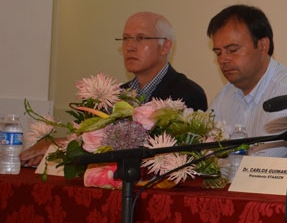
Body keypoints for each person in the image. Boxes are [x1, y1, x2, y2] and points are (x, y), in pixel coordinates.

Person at [20, 11, 208, 167]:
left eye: (141, 38)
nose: (130, 47)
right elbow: (93, 141)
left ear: (165, 46)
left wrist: (59, 145)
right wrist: (54, 149)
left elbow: (154, 151)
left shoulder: (186, 94)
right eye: (126, 38)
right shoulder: (115, 96)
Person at [207, 4, 287, 157]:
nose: (223, 60)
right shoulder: (224, 96)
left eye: (233, 50)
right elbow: (204, 156)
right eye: (218, 53)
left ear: (262, 46)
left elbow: (264, 163)